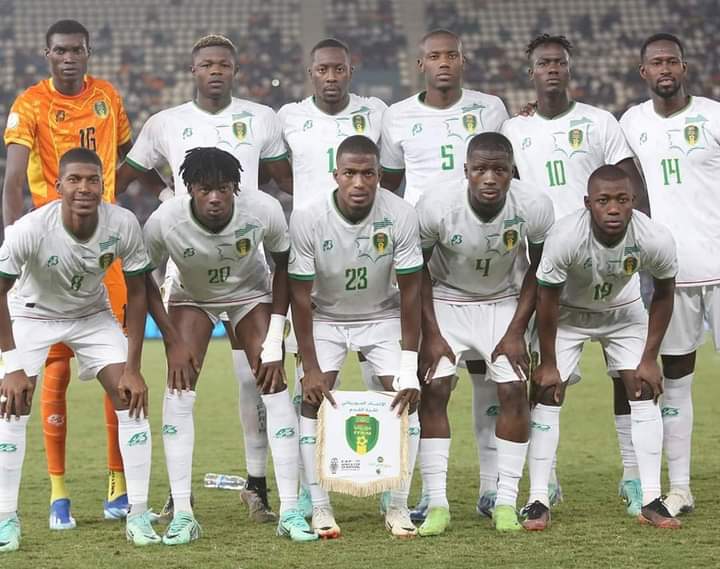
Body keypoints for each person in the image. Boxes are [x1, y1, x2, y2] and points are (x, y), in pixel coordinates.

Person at [117, 34, 293, 522]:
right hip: (190, 265)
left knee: (252, 377)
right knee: (182, 377)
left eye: (224, 64)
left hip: (249, 266)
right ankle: (178, 497)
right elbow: (125, 175)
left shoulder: (262, 118)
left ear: (235, 70)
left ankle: (258, 486)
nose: (215, 71)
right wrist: (169, 194)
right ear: (193, 70)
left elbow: (285, 178)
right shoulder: (166, 123)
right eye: (206, 64)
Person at [501, 33, 648, 516]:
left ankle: (632, 477)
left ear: (570, 68)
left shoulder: (599, 122)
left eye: (559, 63)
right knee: (546, 381)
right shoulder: (514, 127)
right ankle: (548, 481)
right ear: (532, 73)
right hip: (547, 267)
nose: (552, 70)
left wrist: (629, 244)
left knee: (626, 379)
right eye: (543, 63)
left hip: (606, 265)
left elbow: (629, 185)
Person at [143, 147, 316, 544]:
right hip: (191, 298)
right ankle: (183, 514)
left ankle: (289, 511)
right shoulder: (165, 221)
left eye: (223, 189)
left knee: (274, 386)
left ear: (236, 188)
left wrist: (275, 337)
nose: (215, 198)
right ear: (189, 189)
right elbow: (141, 278)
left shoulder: (264, 210)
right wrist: (171, 339)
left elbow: (284, 267)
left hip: (250, 295)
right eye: (205, 190)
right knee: (179, 389)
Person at [2, 19, 136, 528]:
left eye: (77, 50)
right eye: (60, 50)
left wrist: (167, 192)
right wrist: (16, 244)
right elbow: (13, 178)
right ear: (47, 53)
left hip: (103, 249)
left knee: (117, 369)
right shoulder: (29, 104)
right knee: (52, 371)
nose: (69, 58)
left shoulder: (108, 96)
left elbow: (126, 158)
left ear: (88, 52)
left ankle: (117, 484)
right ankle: (59, 494)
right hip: (46, 248)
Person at [381, 27, 509, 521]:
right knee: (424, 374)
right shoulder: (397, 117)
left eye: (451, 55)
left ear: (463, 60)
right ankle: (420, 491)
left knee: (489, 376)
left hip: (479, 248)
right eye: (433, 56)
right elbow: (390, 184)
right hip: (419, 253)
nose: (443, 63)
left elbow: (506, 168)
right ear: (420, 64)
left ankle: (493, 487)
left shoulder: (491, 107)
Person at [0, 148, 157, 551]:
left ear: (103, 186)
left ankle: (138, 514)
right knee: (11, 401)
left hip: (91, 313)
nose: (84, 188)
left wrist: (134, 366)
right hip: (32, 314)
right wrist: (11, 364)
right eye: (74, 180)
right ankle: (5, 519)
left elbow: (138, 292)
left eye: (92, 180)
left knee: (130, 395)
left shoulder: (122, 223)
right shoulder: (30, 229)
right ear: (59, 186)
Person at [523, 165, 679, 530]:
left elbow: (664, 293)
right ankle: (538, 498)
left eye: (622, 200)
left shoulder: (654, 237)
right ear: (587, 203)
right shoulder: (565, 236)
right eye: (603, 201)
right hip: (568, 315)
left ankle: (651, 497)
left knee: (642, 388)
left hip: (622, 314)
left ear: (634, 202)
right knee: (547, 391)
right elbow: (546, 300)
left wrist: (649, 359)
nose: (613, 209)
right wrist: (548, 363)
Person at [416, 132, 554, 535]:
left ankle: (506, 501)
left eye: (499, 169)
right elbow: (416, 272)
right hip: (447, 298)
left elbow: (539, 271)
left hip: (502, 299)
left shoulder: (534, 205)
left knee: (512, 391)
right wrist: (433, 333)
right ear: (466, 172)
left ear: (512, 171)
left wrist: (516, 331)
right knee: (436, 387)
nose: (490, 178)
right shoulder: (436, 205)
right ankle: (437, 502)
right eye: (480, 169)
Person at [289, 136, 423, 538]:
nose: (359, 182)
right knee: (312, 400)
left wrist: (410, 367)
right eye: (350, 173)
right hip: (325, 317)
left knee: (404, 397)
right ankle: (320, 506)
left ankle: (397, 506)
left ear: (381, 176)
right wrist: (309, 367)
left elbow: (413, 290)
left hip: (381, 314)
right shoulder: (309, 217)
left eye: (368, 174)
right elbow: (298, 295)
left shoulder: (400, 215)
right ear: (336, 175)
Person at [278, 37, 388, 514]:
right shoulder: (286, 117)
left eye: (338, 69)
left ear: (350, 69)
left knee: (384, 383)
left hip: (368, 250)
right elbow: (276, 170)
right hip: (309, 252)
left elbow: (392, 168)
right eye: (322, 69)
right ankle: (306, 489)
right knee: (308, 381)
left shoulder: (378, 111)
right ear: (310, 72)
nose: (330, 76)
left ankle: (387, 482)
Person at [620, 32, 720, 517]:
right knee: (676, 380)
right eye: (656, 63)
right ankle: (679, 488)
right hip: (672, 276)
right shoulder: (631, 122)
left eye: (672, 62)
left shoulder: (715, 116)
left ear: (684, 68)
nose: (665, 69)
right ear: (644, 73)